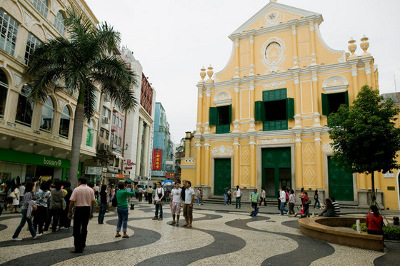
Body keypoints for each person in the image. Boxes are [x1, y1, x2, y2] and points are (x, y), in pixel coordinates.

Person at [68, 178, 95, 254]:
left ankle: (77, 247)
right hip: (87, 209)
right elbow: (93, 202)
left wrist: (69, 212)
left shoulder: (76, 189)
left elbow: (72, 202)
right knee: (84, 227)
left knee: (76, 228)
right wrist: (92, 212)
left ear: (79, 182)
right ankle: (83, 244)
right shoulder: (90, 190)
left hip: (79, 210)